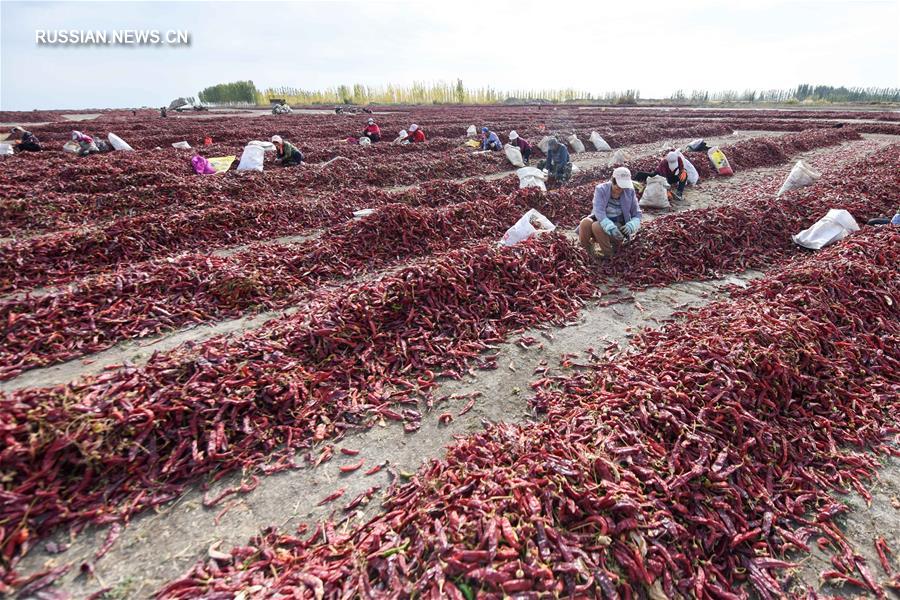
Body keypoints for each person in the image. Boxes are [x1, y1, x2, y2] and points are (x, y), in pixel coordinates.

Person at [578, 167, 641, 257]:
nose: (620, 189)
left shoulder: (629, 191)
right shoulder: (601, 189)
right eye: (618, 185)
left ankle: (609, 254)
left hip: (618, 226)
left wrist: (631, 225)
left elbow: (637, 214)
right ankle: (587, 253)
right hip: (603, 223)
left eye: (622, 186)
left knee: (597, 226)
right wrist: (610, 227)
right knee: (585, 222)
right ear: (612, 180)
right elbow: (598, 211)